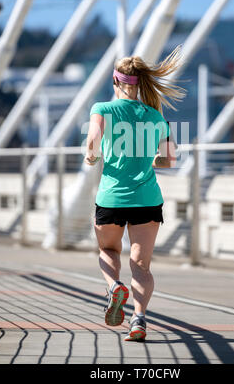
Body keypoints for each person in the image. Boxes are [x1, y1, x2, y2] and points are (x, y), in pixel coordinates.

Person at [84, 47, 186, 342]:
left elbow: (93, 143)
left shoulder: (102, 109)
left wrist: (91, 156)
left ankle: (115, 286)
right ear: (139, 83)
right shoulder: (156, 116)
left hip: (111, 197)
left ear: (116, 82)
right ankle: (138, 319)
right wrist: (154, 160)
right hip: (147, 199)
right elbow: (169, 159)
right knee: (141, 265)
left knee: (108, 251)